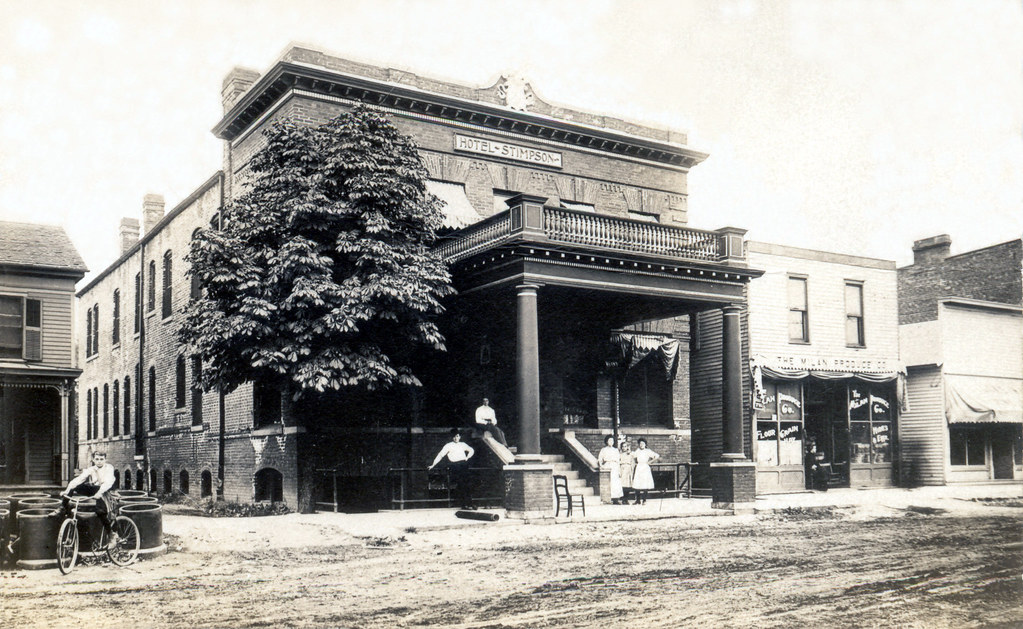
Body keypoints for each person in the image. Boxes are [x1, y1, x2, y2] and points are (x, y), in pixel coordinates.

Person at [61, 450, 118, 547]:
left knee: (100, 511)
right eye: (97, 459)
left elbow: (108, 483)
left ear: (105, 459)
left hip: (105, 491)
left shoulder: (109, 468)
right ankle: (62, 507)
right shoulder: (91, 469)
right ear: (93, 459)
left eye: (101, 459)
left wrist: (99, 493)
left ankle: (111, 534)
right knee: (74, 486)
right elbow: (79, 479)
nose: (99, 461)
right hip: (95, 490)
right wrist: (66, 491)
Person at [428, 429, 477, 510]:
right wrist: (433, 465)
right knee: (461, 484)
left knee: (466, 484)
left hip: (463, 465)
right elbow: (440, 455)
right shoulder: (448, 445)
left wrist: (467, 457)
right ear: (452, 437)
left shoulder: (462, 444)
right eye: (454, 436)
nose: (456, 438)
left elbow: (471, 450)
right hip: (455, 466)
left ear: (459, 437)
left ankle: (469, 503)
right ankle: (465, 504)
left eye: (457, 436)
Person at [631, 438, 659, 505]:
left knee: (645, 484)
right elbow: (633, 456)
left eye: (643, 443)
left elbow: (657, 456)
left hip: (645, 467)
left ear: (645, 444)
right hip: (639, 467)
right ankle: (637, 500)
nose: (641, 445)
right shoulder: (637, 451)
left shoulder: (648, 451)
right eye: (640, 444)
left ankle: (644, 500)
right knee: (637, 484)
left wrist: (650, 462)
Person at [597, 435, 624, 505]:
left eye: (612, 440)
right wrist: (602, 466)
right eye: (609, 440)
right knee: (608, 483)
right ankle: (607, 499)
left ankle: (615, 499)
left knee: (615, 483)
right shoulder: (603, 450)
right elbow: (600, 459)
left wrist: (619, 470)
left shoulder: (615, 450)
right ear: (606, 441)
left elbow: (618, 461)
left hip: (614, 467)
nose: (611, 442)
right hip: (607, 467)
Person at [619, 439, 636, 505]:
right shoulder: (620, 455)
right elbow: (618, 462)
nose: (624, 448)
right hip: (622, 469)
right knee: (623, 485)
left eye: (625, 446)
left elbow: (633, 462)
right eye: (623, 446)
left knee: (628, 485)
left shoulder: (630, 454)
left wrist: (632, 470)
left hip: (628, 469)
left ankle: (626, 499)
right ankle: (623, 499)